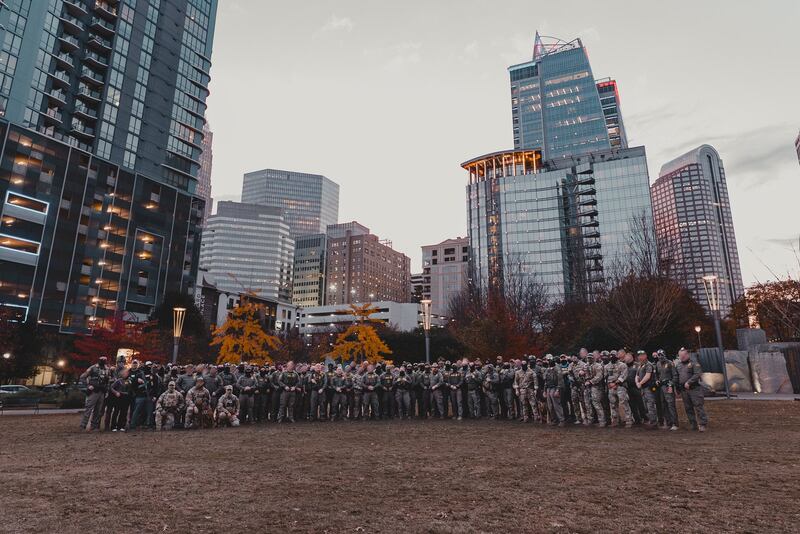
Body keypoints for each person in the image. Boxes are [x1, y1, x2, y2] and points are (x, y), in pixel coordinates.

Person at [675, 348, 708, 432]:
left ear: (687, 355)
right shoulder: (678, 365)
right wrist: (677, 388)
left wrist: (689, 382)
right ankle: (693, 424)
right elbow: (677, 377)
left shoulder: (694, 363)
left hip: (694, 389)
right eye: (680, 356)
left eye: (683, 355)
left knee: (698, 406)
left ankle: (702, 424)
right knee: (688, 408)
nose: (682, 357)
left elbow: (697, 374)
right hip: (684, 390)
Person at [78, 356, 111, 431]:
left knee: (98, 410)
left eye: (105, 360)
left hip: (102, 391)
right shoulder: (93, 368)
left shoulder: (107, 369)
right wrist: (88, 386)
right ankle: (83, 425)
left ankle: (94, 426)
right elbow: (82, 377)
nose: (103, 361)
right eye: (102, 360)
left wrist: (107, 390)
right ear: (99, 360)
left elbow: (108, 381)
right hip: (93, 391)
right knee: (89, 408)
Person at [606, 351, 633, 428]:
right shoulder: (607, 366)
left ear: (617, 356)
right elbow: (606, 376)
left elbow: (624, 376)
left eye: (613, 355)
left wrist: (615, 383)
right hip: (611, 387)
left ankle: (628, 421)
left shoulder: (623, 365)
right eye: (611, 355)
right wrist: (609, 384)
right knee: (613, 405)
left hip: (620, 387)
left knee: (624, 404)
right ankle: (615, 421)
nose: (612, 357)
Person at [655, 350, 679, 431]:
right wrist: (657, 380)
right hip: (661, 387)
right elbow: (657, 374)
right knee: (664, 405)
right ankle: (668, 423)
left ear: (664, 355)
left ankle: (675, 423)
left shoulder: (670, 363)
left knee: (671, 405)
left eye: (662, 355)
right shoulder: (658, 364)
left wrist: (670, 385)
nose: (660, 356)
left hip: (668, 386)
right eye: (659, 355)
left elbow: (675, 376)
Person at [635, 350, 658, 428]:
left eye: (641, 355)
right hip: (643, 389)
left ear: (645, 356)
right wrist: (637, 382)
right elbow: (637, 376)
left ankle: (654, 422)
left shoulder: (649, 365)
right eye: (639, 356)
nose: (640, 357)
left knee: (650, 405)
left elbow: (647, 376)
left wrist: (640, 383)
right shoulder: (640, 365)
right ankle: (650, 420)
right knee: (645, 406)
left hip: (649, 388)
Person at [585, 352, 607, 426]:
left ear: (593, 358)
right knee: (587, 403)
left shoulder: (598, 366)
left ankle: (602, 421)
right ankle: (590, 420)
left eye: (590, 358)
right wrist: (581, 374)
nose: (589, 359)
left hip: (597, 387)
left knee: (596, 403)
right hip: (587, 387)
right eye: (588, 358)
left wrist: (591, 381)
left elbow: (599, 376)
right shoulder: (586, 366)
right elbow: (583, 374)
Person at [514, 358, 539, 423]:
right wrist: (516, 390)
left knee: (533, 404)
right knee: (524, 404)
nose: (524, 366)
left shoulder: (531, 372)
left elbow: (535, 380)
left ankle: (536, 417)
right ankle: (525, 417)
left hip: (530, 390)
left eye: (525, 365)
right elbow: (516, 381)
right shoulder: (518, 372)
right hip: (522, 390)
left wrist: (535, 389)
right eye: (523, 365)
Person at [543, 356, 565, 426]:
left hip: (555, 388)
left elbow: (560, 380)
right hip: (548, 388)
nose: (549, 361)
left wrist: (557, 390)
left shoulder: (557, 368)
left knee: (556, 405)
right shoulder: (547, 369)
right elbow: (545, 380)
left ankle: (561, 420)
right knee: (550, 405)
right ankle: (554, 419)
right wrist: (544, 390)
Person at [108, 367, 130, 432]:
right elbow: (111, 387)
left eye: (127, 373)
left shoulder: (129, 381)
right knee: (116, 411)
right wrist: (116, 392)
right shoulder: (118, 381)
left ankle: (121, 426)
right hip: (119, 397)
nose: (126, 374)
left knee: (124, 412)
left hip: (126, 397)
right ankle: (113, 426)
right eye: (125, 373)